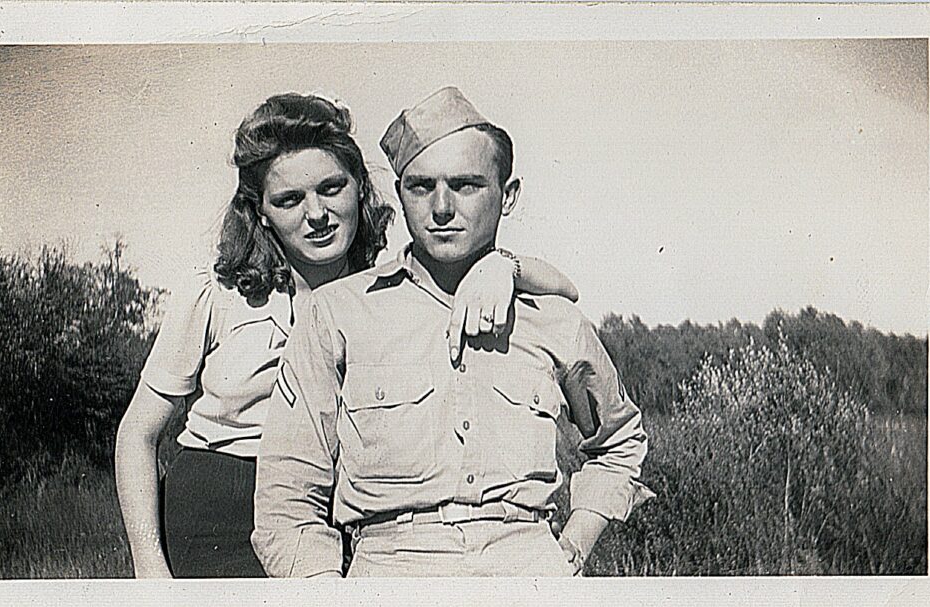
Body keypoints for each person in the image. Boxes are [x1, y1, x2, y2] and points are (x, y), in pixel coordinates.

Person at [114, 92, 580, 578]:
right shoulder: (221, 294)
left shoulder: (378, 288)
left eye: (331, 188)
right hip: (220, 505)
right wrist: (150, 566)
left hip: (327, 509)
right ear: (261, 211)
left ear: (360, 188)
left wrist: (505, 266)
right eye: (289, 200)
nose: (316, 215)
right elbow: (138, 433)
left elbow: (566, 290)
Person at [252, 87, 653, 578]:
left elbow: (619, 441)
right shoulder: (337, 314)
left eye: (466, 186)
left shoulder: (552, 320)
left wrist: (577, 539)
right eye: (421, 187)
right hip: (389, 571)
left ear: (507, 196)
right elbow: (287, 496)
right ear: (400, 195)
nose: (442, 207)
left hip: (526, 568)